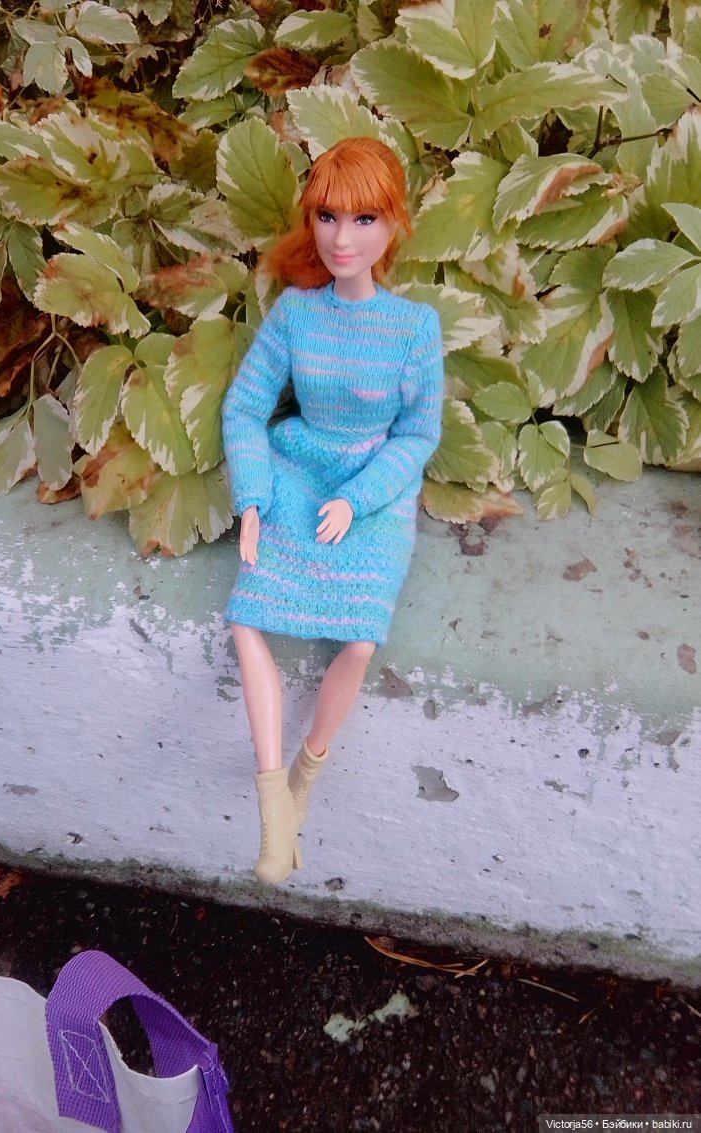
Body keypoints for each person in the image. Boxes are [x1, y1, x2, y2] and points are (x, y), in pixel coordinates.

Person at [222, 136, 444, 884]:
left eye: (364, 219)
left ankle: (304, 780)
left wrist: (360, 495)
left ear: (394, 224)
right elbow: (245, 406)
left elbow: (418, 434)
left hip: (374, 489)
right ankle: (272, 807)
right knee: (248, 616)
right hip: (299, 470)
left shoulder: (414, 329)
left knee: (360, 637)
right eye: (327, 217)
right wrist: (254, 495)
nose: (342, 239)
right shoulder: (296, 314)